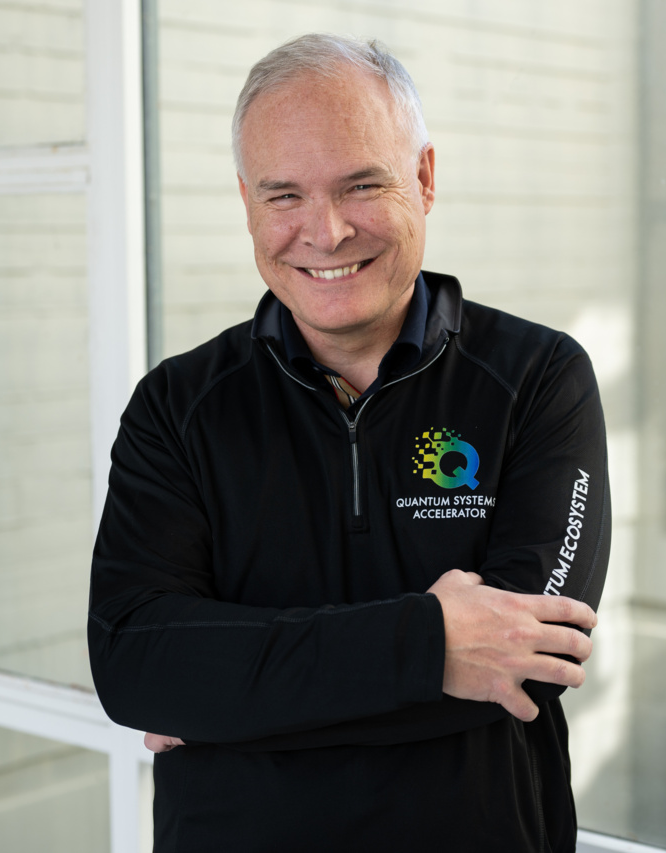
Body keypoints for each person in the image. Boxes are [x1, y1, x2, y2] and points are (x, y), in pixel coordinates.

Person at [87, 33, 610, 852]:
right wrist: (434, 642)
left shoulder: (538, 379)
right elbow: (136, 667)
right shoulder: (177, 407)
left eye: (361, 184)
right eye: (283, 195)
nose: (324, 232)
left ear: (425, 178)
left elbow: (529, 658)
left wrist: (233, 689)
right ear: (245, 201)